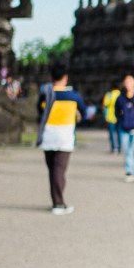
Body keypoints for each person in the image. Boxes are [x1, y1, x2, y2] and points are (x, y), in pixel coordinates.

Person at [36, 64, 84, 215]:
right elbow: (84, 111)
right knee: (59, 170)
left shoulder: (45, 95)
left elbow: (39, 110)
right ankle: (58, 203)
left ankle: (56, 200)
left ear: (51, 78)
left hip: (48, 135)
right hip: (65, 137)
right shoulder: (73, 96)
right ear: (65, 78)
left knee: (52, 169)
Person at [102, 83, 121, 153]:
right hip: (119, 117)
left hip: (110, 117)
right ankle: (120, 147)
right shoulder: (121, 94)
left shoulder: (109, 95)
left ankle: (113, 148)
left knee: (112, 133)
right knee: (119, 133)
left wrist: (104, 115)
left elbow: (105, 105)